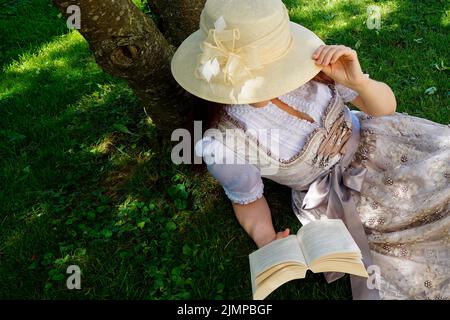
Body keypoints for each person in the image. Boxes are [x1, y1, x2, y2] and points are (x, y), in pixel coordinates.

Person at [171, 0, 449, 300]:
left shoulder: (310, 65)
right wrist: (267, 240)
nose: (270, 82)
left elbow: (385, 109)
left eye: (273, 69)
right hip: (343, 192)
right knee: (423, 222)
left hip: (384, 140)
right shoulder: (222, 143)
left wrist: (359, 83)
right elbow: (247, 199)